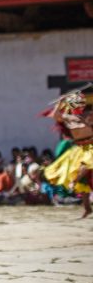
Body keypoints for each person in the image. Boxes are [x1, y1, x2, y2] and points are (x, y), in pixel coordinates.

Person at [43, 88, 93, 217]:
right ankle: (87, 208)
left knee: (87, 164)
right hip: (79, 149)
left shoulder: (88, 115)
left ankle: (74, 182)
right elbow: (55, 115)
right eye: (75, 103)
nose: (78, 105)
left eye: (79, 103)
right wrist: (59, 102)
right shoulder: (68, 117)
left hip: (91, 146)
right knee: (85, 183)